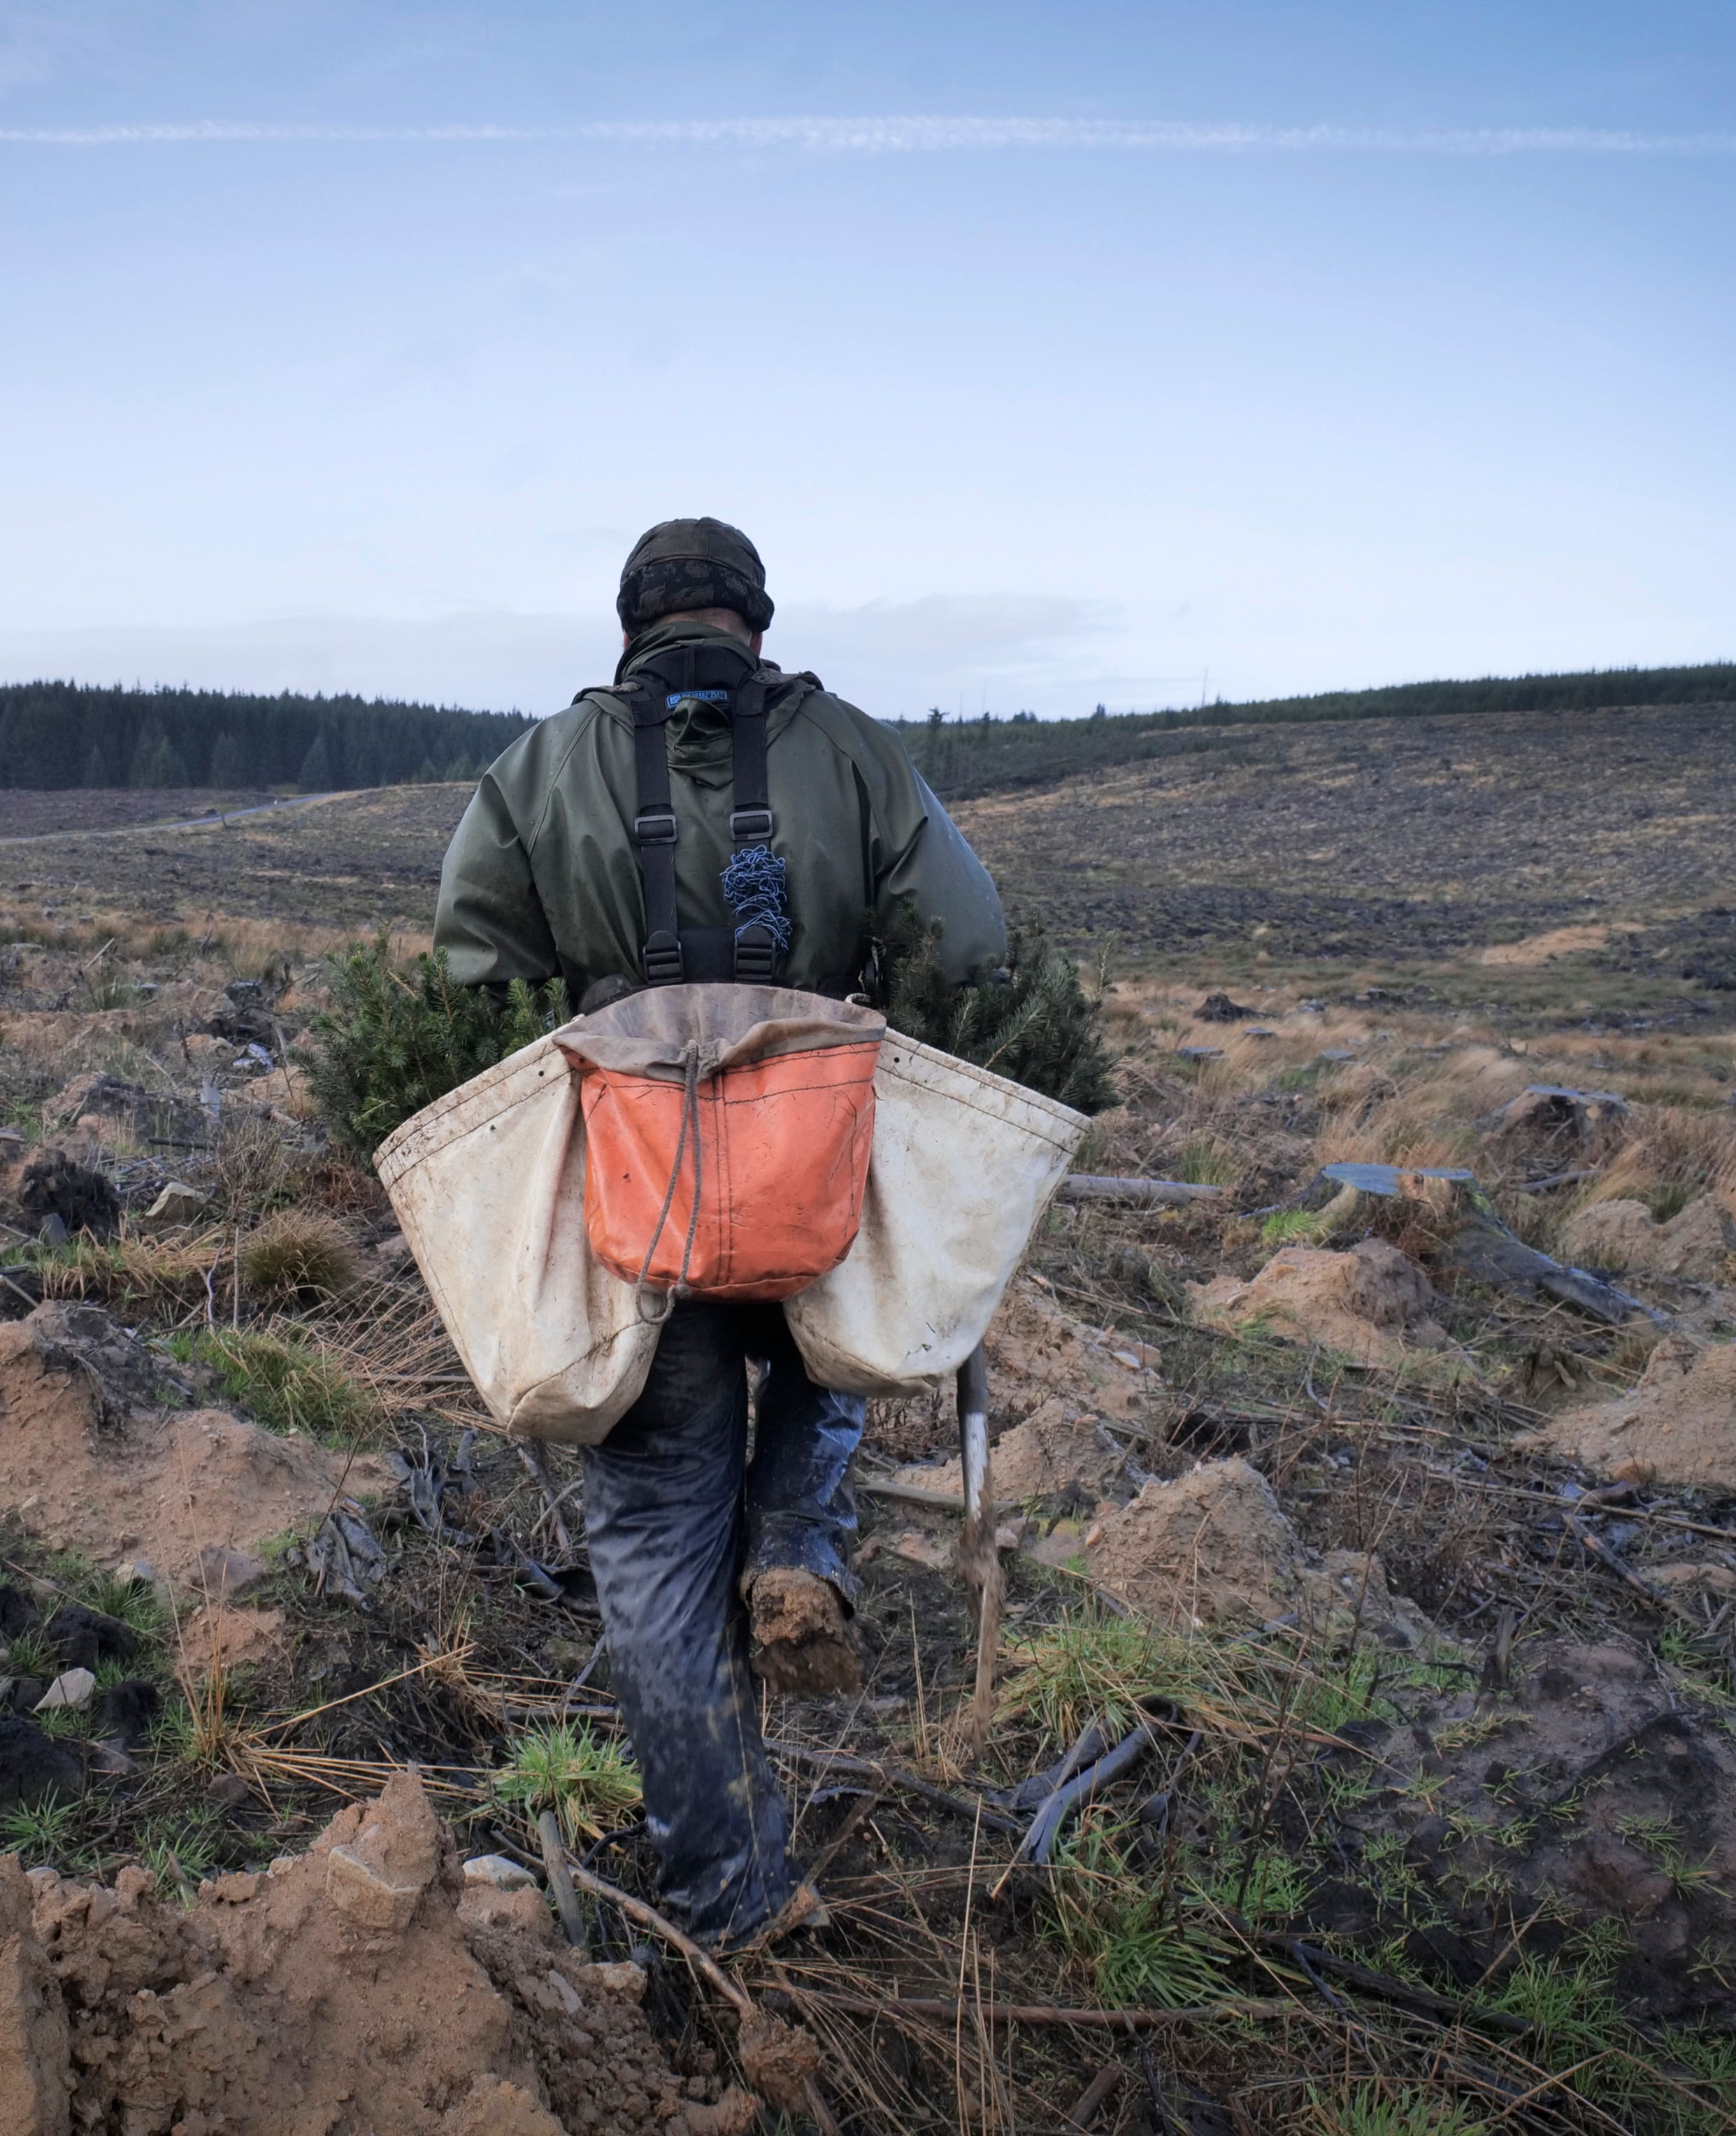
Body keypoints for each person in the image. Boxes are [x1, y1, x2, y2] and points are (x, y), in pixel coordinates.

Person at [431, 517, 1009, 1949]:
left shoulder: (538, 768)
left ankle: (727, 1889)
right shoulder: (854, 751)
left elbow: (465, 981)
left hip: (644, 1215)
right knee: (844, 1347)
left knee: (647, 1546)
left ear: (625, 626)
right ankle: (799, 1528)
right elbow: (972, 942)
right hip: (818, 1183)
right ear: (755, 620)